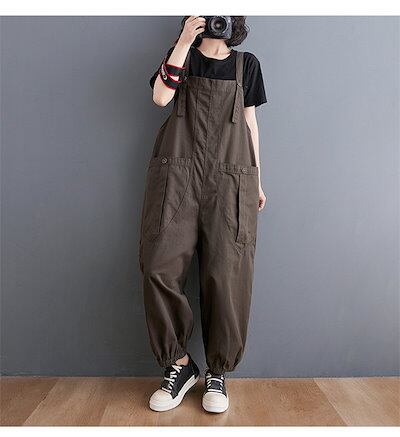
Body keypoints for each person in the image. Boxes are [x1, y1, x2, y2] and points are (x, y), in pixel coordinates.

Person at [139, 16, 267, 413]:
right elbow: (161, 98)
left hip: (232, 178)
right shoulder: (182, 56)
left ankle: (218, 372)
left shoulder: (247, 65)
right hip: (177, 174)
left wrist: (257, 179)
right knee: (158, 266)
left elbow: (250, 123)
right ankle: (179, 364)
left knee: (228, 275)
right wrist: (183, 42)